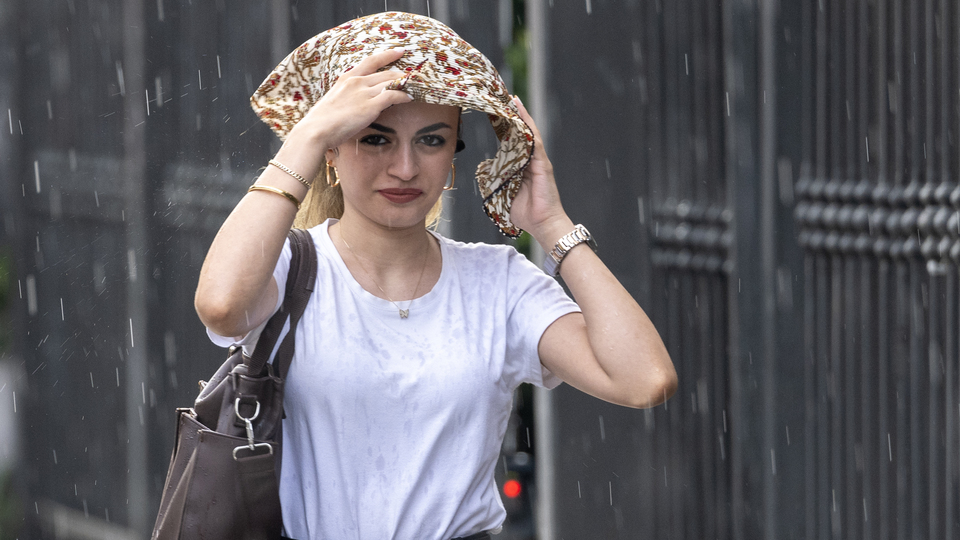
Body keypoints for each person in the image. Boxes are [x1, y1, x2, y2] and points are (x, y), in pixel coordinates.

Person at [194, 11, 676, 540]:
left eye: (431, 140)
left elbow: (643, 380)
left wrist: (551, 225)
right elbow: (221, 305)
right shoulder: (289, 269)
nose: (405, 168)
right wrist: (308, 134)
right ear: (332, 151)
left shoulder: (498, 282)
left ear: (452, 154)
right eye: (375, 139)